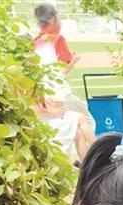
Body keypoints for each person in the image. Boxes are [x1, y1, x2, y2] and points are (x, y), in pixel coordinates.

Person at [32, 2, 95, 161]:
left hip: (44, 95)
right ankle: (99, 156)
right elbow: (63, 70)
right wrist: (74, 61)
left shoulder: (35, 41)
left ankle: (87, 163)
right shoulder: (57, 39)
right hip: (58, 93)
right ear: (52, 20)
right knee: (86, 121)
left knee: (78, 131)